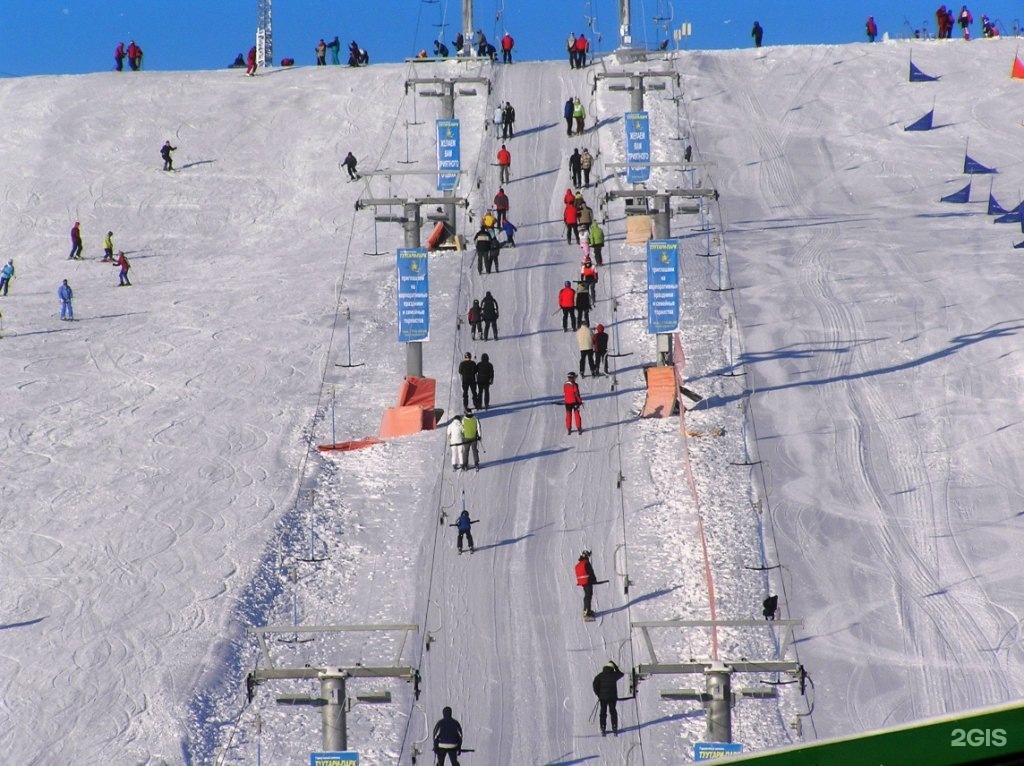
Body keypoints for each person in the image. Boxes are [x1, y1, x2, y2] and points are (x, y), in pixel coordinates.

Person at [592, 661, 625, 736]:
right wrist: (615, 666)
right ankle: (614, 726)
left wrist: (598, 694)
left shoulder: (600, 675)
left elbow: (595, 685)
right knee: (613, 711)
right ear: (612, 668)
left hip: (603, 697)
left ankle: (603, 727)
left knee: (603, 712)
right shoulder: (614, 675)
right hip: (612, 697)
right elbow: (621, 674)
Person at [575, 550, 598, 618]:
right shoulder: (586, 563)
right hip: (588, 581)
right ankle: (587, 612)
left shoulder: (579, 564)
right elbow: (590, 572)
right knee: (588, 596)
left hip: (583, 582)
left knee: (587, 595)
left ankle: (587, 610)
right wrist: (594, 580)